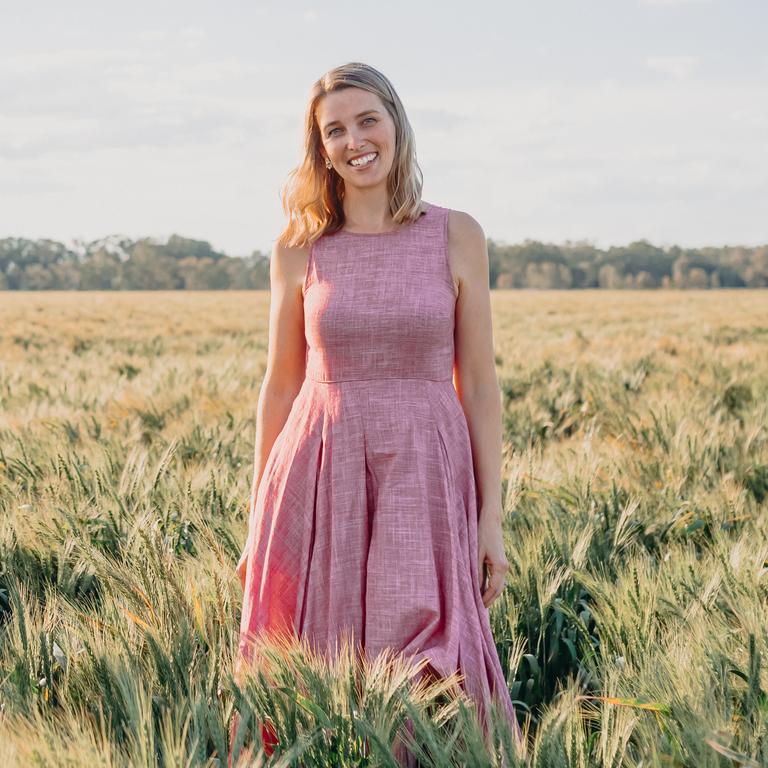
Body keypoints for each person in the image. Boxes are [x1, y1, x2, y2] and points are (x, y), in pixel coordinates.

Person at [229, 61, 520, 766]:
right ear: (319, 147)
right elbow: (279, 385)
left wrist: (491, 515)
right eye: (335, 130)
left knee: (425, 658)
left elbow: (478, 383)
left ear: (396, 125)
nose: (354, 141)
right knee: (318, 662)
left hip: (424, 469)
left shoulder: (457, 235)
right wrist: (258, 517)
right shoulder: (299, 248)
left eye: (367, 121)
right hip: (321, 464)